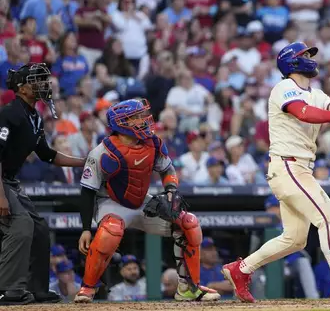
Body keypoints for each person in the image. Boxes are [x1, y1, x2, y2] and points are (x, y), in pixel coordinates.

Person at [222, 42, 330, 302]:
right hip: (287, 166)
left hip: (299, 168)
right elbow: (303, 113)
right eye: (305, 55)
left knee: (294, 239)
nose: (310, 58)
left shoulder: (315, 93)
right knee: (329, 217)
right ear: (292, 62)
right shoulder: (284, 88)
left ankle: (240, 269)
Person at [73, 99, 220, 303]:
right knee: (111, 231)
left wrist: (171, 189)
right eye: (136, 117)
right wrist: (86, 228)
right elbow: (87, 192)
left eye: (142, 115)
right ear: (121, 123)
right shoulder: (101, 152)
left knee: (189, 223)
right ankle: (87, 288)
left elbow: (168, 170)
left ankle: (189, 287)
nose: (143, 120)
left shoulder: (153, 142)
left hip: (142, 202)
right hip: (111, 203)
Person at [0, 63, 86, 305]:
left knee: (39, 229)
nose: (43, 85)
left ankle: (36, 289)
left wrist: (84, 162)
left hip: (8, 180)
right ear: (22, 88)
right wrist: (1, 197)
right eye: (37, 80)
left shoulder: (34, 116)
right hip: (1, 181)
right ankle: (7, 290)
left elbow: (48, 154)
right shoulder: (8, 113)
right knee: (21, 224)